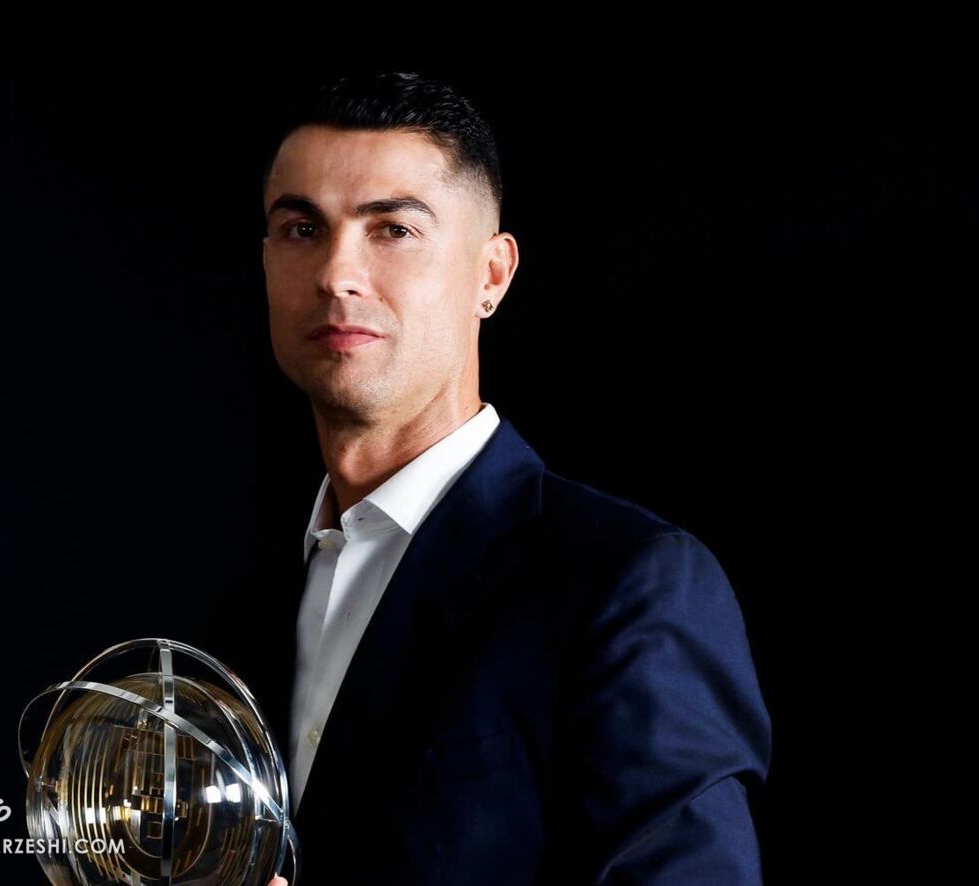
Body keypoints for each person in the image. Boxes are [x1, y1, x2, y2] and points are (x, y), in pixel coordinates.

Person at [251, 70, 771, 885]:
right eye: (301, 228)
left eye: (393, 229)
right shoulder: (242, 596)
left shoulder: (629, 583)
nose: (335, 273)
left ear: (491, 276)